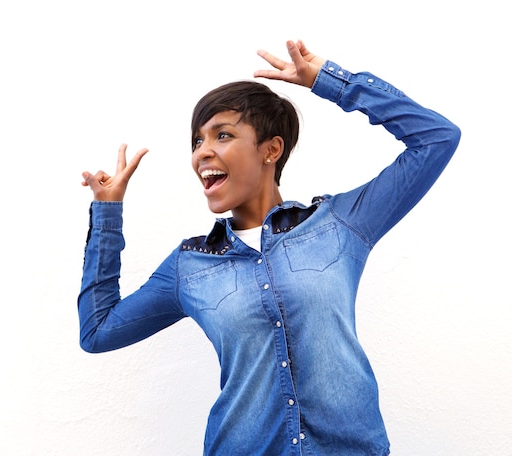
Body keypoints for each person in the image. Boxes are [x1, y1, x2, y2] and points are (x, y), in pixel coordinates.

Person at [78, 39, 461, 456]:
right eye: (196, 142)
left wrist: (330, 82)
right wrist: (107, 211)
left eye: (221, 135)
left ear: (271, 150)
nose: (202, 152)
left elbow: (437, 138)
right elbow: (97, 332)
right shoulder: (191, 265)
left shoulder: (339, 225)